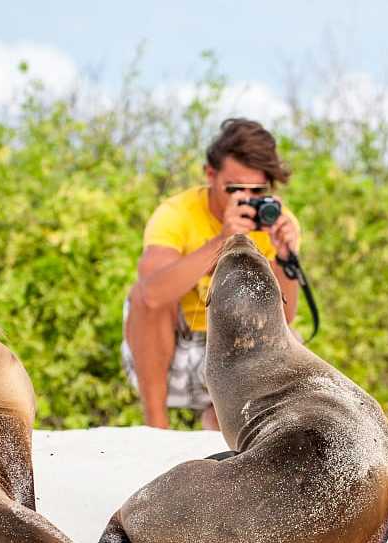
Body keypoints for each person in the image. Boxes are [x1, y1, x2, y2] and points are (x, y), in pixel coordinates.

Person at [121, 118, 302, 429]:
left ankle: (219, 421)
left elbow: (284, 318)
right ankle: (155, 426)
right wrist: (223, 241)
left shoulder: (275, 222)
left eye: (257, 190)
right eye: (234, 188)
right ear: (210, 174)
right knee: (143, 293)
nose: (245, 199)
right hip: (175, 348)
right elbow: (150, 294)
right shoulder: (177, 213)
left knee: (289, 346)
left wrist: (287, 258)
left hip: (237, 349)